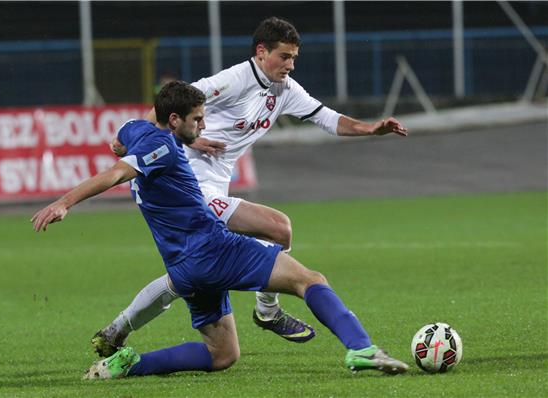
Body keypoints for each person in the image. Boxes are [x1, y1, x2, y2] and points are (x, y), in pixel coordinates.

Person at [31, 81, 408, 379]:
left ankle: (127, 364)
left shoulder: (137, 131)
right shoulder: (161, 148)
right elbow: (117, 172)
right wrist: (64, 202)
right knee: (309, 280)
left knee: (222, 355)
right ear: (174, 119)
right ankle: (360, 349)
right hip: (214, 250)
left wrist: (183, 140)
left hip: (183, 265)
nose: (204, 125)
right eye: (197, 119)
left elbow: (118, 144)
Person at [95, 16, 409, 355]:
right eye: (284, 56)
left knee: (196, 278)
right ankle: (268, 311)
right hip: (191, 189)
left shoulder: (285, 90)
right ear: (262, 52)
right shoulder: (232, 81)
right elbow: (162, 113)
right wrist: (192, 141)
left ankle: (119, 330)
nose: (290, 65)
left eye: (294, 58)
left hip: (216, 188)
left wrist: (371, 129)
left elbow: (327, 118)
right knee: (274, 228)